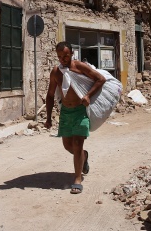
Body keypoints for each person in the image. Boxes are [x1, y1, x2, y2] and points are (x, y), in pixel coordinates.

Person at [44, 41, 106, 194]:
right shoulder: (56, 72)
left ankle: (77, 179)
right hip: (66, 112)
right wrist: (48, 118)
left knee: (77, 144)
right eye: (59, 56)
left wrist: (88, 95)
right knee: (68, 146)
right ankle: (84, 156)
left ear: (72, 53)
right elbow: (50, 95)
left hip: (80, 111)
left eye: (65, 55)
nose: (63, 59)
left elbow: (100, 79)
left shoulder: (79, 67)